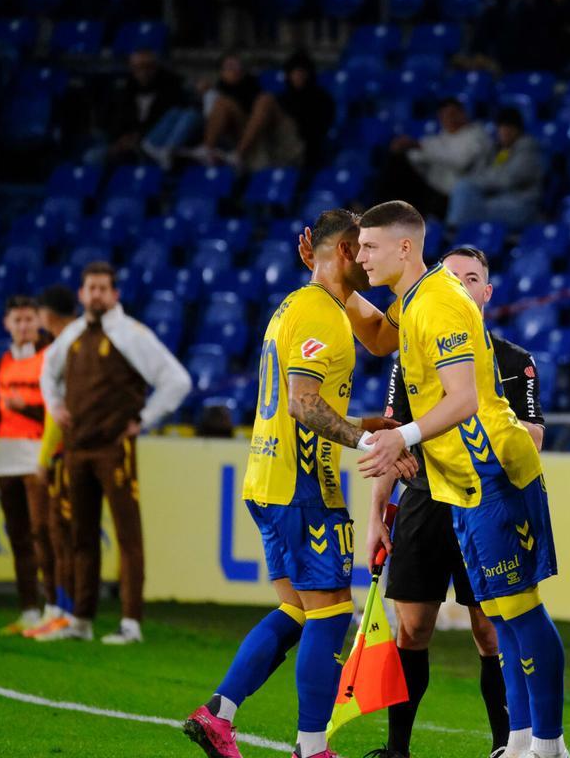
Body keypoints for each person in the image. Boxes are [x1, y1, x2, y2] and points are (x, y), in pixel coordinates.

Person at [184, 211, 417, 758]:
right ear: (341, 253)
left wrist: (363, 423)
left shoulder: (302, 303)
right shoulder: (320, 317)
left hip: (269, 479)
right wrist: (369, 444)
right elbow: (303, 403)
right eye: (360, 251)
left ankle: (219, 712)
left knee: (298, 610)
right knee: (333, 611)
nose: (367, 261)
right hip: (302, 486)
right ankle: (312, 749)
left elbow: (382, 339)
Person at [355, 201, 568, 758]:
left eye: (368, 247)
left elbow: (465, 399)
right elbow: (379, 338)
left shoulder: (440, 303)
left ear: (405, 247)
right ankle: (520, 742)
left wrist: (400, 438)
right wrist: (334, 284)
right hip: (461, 482)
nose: (360, 257)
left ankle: (549, 747)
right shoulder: (416, 299)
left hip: (494, 471)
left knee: (518, 615)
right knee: (501, 615)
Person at [38, 262, 193, 644]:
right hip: (76, 449)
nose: (96, 295)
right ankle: (81, 619)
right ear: (81, 294)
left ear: (115, 295)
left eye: (103, 288)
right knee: (81, 536)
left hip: (114, 449)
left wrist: (144, 418)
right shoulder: (72, 335)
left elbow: (177, 381)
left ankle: (130, 622)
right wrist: (54, 404)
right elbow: (47, 373)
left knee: (127, 536)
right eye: (90, 288)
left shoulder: (131, 334)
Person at [0, 296, 53, 636]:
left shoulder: (49, 359)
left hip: (36, 459)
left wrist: (24, 408)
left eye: (29, 320)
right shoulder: (3, 362)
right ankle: (29, 610)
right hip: (6, 459)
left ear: (38, 323)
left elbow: (55, 414)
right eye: (17, 320)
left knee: (44, 535)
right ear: (7, 325)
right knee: (19, 538)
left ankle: (55, 608)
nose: (23, 326)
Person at [23, 285, 81, 640]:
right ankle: (60, 607)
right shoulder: (65, 346)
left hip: (66, 453)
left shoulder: (64, 348)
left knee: (66, 536)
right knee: (59, 535)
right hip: (62, 452)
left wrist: (44, 457)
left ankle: (68, 609)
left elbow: (56, 413)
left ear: (47, 314)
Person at [379, 98, 491, 219]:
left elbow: (460, 162)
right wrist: (408, 148)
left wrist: (419, 146)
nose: (449, 119)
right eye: (444, 116)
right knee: (398, 161)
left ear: (462, 113)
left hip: (454, 197)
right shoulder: (442, 136)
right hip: (434, 191)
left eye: (452, 114)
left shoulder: (476, 135)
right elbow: (419, 156)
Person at [193, 51, 304, 172]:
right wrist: (207, 94)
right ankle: (207, 149)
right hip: (245, 137)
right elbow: (210, 116)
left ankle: (238, 155)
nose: (235, 69)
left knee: (264, 100)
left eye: (238, 65)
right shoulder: (218, 94)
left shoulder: (253, 85)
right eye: (229, 66)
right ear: (221, 72)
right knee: (222, 103)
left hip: (272, 134)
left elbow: (263, 112)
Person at [445, 107, 542, 228]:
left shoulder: (528, 148)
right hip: (498, 200)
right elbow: (481, 172)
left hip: (521, 204)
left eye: (509, 128)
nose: (504, 132)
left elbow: (508, 179)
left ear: (518, 130)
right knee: (463, 188)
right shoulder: (498, 149)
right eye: (501, 128)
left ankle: (452, 230)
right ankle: (453, 230)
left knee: (469, 201)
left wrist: (478, 181)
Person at [98, 49, 193, 168]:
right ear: (131, 68)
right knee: (94, 156)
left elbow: (168, 120)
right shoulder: (122, 90)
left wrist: (139, 137)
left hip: (154, 140)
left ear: (156, 67)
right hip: (124, 139)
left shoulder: (171, 88)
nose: (143, 72)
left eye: (148, 66)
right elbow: (111, 118)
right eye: (138, 67)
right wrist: (120, 138)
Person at [276, 49, 335, 170]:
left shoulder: (322, 98)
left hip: (304, 146)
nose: (299, 76)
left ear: (309, 74)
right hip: (279, 142)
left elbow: (320, 129)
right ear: (289, 75)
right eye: (295, 73)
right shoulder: (281, 98)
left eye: (302, 72)